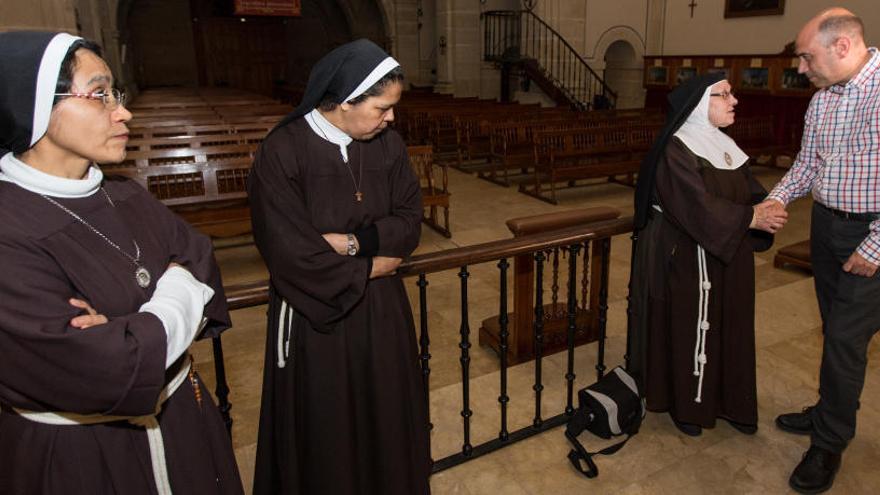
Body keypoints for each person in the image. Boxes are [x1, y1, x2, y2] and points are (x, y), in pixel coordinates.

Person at [0, 31, 243, 494]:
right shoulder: (8, 226)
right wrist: (179, 292)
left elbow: (200, 256)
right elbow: (103, 368)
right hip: (82, 458)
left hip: (182, 422)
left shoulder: (126, 194)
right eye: (99, 94)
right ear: (33, 105)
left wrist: (134, 327)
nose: (122, 111)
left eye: (116, 93)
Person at [249, 39, 431, 494]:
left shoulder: (387, 145)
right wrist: (373, 264)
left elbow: (410, 222)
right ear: (345, 100)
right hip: (316, 322)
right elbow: (293, 255)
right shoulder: (282, 151)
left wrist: (354, 243)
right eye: (382, 108)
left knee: (386, 415)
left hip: (383, 314)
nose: (392, 118)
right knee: (327, 430)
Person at [628, 73, 785, 438]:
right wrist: (750, 217)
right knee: (692, 327)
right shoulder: (676, 149)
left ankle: (732, 402)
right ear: (700, 103)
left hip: (729, 252)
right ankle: (689, 406)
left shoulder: (724, 144)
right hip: (689, 254)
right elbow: (693, 204)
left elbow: (747, 188)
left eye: (732, 94)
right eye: (724, 94)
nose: (734, 101)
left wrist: (766, 206)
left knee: (732, 325)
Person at [763, 8, 880, 494]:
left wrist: (875, 246)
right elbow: (807, 164)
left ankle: (830, 442)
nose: (801, 68)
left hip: (871, 237)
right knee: (833, 328)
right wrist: (777, 196)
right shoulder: (823, 100)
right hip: (827, 227)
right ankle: (830, 409)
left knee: (844, 343)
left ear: (843, 47)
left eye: (807, 58)